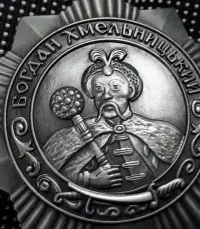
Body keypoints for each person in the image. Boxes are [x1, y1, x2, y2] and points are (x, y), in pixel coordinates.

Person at [42, 48, 183, 192]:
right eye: (98, 89)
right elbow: (51, 175)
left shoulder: (161, 133)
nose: (106, 96)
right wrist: (88, 179)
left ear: (130, 91)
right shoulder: (74, 135)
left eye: (115, 87)